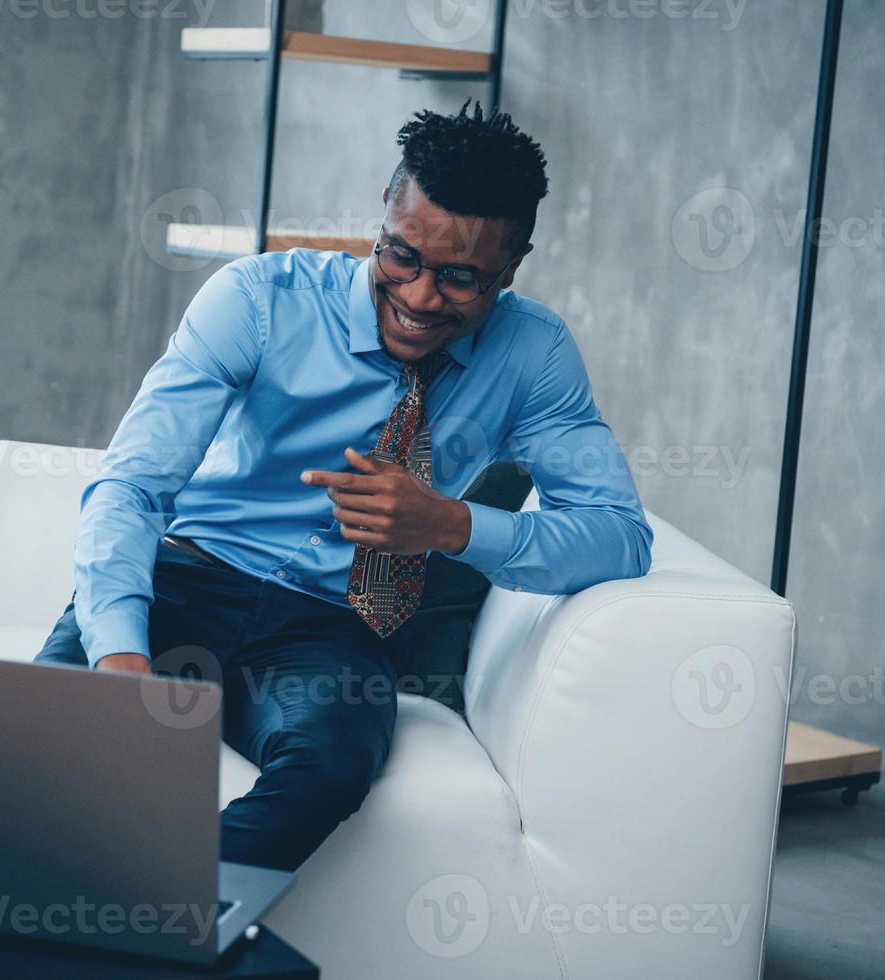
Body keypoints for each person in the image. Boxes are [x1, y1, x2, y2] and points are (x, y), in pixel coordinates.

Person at [36, 101, 652, 871]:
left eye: (462, 277)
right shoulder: (259, 300)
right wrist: (120, 656)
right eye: (402, 257)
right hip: (185, 580)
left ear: (512, 268)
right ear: (383, 222)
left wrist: (449, 525)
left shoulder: (534, 354)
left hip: (327, 627)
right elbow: (132, 486)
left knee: (328, 768)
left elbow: (620, 536)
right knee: (40, 745)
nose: (422, 297)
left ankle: (158, 920)